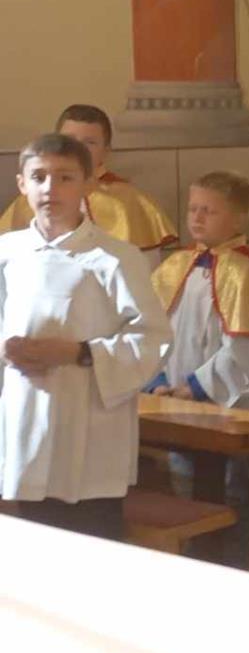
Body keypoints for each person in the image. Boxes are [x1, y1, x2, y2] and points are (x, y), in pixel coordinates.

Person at [0, 133, 169, 542]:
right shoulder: (8, 252)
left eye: (65, 177)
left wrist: (78, 352)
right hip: (25, 418)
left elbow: (153, 339)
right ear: (21, 184)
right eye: (38, 177)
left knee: (89, 541)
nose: (50, 188)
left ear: (89, 184)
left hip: (90, 424)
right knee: (32, 541)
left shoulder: (115, 258)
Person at [147, 171, 249, 568]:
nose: (196, 218)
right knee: (184, 490)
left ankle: (233, 568)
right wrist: (159, 381)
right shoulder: (174, 267)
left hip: (227, 408)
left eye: (209, 211)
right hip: (175, 402)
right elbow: (152, 331)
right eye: (193, 209)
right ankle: (194, 566)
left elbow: (247, 351)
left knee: (230, 493)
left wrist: (194, 388)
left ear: (238, 218)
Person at [0, 103, 176, 257]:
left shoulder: (133, 203)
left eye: (89, 142)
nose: (77, 149)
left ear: (106, 151)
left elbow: (146, 271)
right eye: (69, 140)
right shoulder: (28, 202)